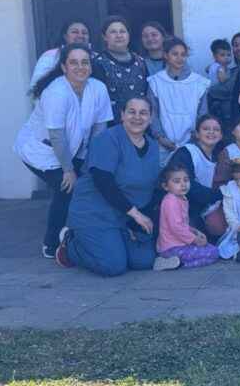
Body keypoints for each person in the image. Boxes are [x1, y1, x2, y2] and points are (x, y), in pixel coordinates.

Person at [56, 96, 176, 275]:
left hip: (124, 215)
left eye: (143, 113)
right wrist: (136, 215)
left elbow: (150, 187)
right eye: (131, 112)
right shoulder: (108, 139)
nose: (137, 117)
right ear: (122, 115)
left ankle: (113, 242)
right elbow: (103, 181)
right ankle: (70, 243)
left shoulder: (152, 146)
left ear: (151, 118)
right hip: (95, 212)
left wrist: (138, 220)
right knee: (113, 266)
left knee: (143, 261)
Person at [14, 44, 112, 257]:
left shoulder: (98, 88)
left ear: (91, 67)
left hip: (74, 149)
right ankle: (51, 244)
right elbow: (56, 136)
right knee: (66, 188)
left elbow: (100, 127)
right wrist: (69, 170)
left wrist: (90, 163)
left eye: (84, 62)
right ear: (64, 67)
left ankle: (76, 234)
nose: (80, 67)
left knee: (88, 184)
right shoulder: (56, 92)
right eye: (73, 62)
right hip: (40, 150)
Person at [147, 37, 210, 164]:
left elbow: (203, 115)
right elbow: (152, 112)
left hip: (192, 142)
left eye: (183, 54)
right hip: (163, 143)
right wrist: (160, 136)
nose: (179, 58)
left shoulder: (199, 83)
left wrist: (195, 136)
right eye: (175, 54)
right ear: (166, 55)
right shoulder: (156, 81)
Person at [164, 115, 224, 237]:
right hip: (179, 210)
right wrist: (219, 193)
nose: (211, 132)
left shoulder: (218, 156)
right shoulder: (186, 152)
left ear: (221, 136)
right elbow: (186, 188)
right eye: (206, 128)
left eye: (216, 129)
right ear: (197, 133)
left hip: (200, 208)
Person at [156, 164, 220, 268]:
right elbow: (176, 228)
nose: (183, 184)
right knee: (213, 253)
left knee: (213, 251)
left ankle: (174, 263)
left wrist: (195, 232)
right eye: (177, 182)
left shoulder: (182, 199)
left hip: (181, 243)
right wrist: (194, 239)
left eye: (186, 180)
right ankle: (176, 263)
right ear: (165, 186)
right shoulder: (171, 201)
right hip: (172, 247)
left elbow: (182, 224)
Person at [91, 16, 149, 122]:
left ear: (128, 35)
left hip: (139, 125)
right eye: (113, 32)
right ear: (104, 37)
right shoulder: (98, 63)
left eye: (123, 31)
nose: (119, 35)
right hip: (110, 127)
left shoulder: (140, 61)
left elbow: (147, 93)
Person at [207, 31, 240, 135]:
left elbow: (227, 89)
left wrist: (206, 90)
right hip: (225, 118)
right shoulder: (232, 69)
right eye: (235, 45)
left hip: (236, 119)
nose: (239, 48)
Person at [30, 18, 90, 87]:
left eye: (84, 33)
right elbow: (35, 85)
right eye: (75, 32)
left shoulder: (96, 57)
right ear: (65, 36)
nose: (80, 36)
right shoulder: (51, 56)